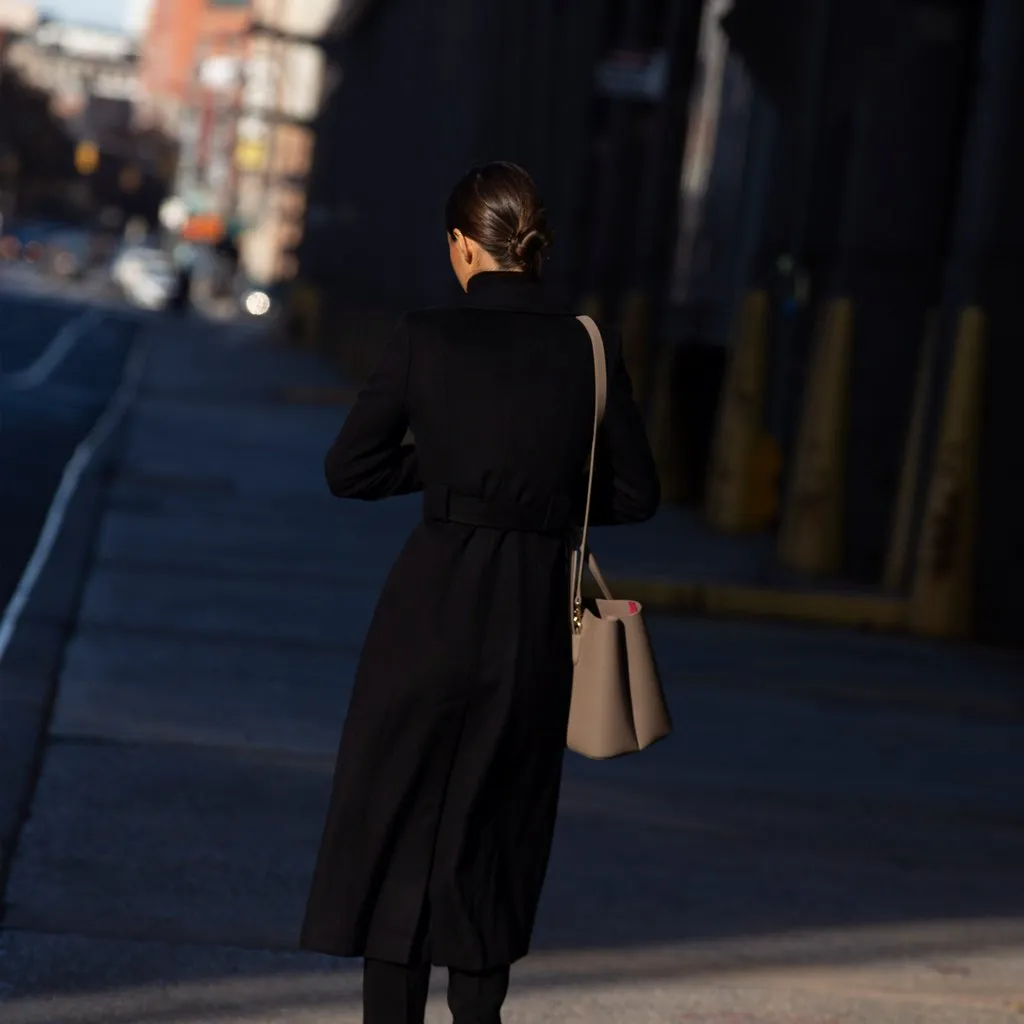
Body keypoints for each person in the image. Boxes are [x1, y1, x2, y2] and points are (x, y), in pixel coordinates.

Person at [300, 162, 660, 1024]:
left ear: (465, 247)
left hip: (427, 604)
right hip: (530, 614)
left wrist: (448, 468)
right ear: (534, 251)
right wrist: (539, 493)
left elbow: (349, 470)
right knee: (494, 832)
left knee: (396, 821)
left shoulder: (425, 336)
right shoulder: (589, 343)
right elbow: (637, 494)